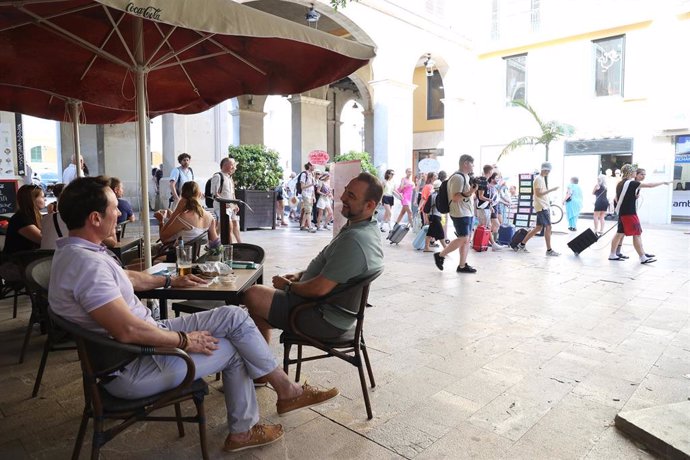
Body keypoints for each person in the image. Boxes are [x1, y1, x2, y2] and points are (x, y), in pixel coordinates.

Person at [48, 176, 339, 452]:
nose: (121, 213)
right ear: (95, 218)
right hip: (134, 365)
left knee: (233, 316)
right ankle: (247, 428)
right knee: (235, 348)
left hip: (143, 344)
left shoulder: (77, 253)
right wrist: (184, 340)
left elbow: (129, 278)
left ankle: (286, 391)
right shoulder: (88, 267)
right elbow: (128, 331)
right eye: (114, 208)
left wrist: (169, 280)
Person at [243, 173, 384, 345]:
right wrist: (301, 275)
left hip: (322, 318)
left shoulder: (355, 240)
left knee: (253, 294)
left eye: (351, 196)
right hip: (327, 310)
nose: (342, 197)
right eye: (346, 191)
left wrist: (288, 286)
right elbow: (335, 268)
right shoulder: (365, 227)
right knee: (256, 312)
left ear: (370, 205)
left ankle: (262, 365)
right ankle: (261, 363)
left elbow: (319, 289)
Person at [608, 166, 671, 264]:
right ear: (630, 173)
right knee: (636, 234)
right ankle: (642, 257)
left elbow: (616, 199)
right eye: (634, 172)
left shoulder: (620, 183)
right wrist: (663, 182)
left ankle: (613, 254)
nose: (635, 173)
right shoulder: (632, 183)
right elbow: (649, 185)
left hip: (623, 212)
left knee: (619, 233)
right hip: (629, 213)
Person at [432, 154, 479, 273]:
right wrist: (471, 191)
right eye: (472, 163)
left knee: (466, 239)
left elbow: (466, 195)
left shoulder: (466, 177)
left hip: (467, 212)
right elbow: (456, 197)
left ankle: (462, 265)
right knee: (463, 238)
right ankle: (440, 255)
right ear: (466, 163)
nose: (473, 166)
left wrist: (472, 192)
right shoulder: (458, 178)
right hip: (459, 212)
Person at [514, 162, 560, 256]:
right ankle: (549, 250)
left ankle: (522, 244)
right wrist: (552, 190)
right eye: (548, 171)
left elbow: (539, 194)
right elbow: (538, 194)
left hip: (542, 206)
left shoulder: (541, 178)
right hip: (542, 206)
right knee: (548, 227)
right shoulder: (538, 179)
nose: (549, 173)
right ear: (545, 169)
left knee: (538, 227)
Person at [155, 181, 219, 246]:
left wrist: (161, 220)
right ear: (199, 194)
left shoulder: (183, 218)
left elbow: (163, 238)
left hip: (178, 254)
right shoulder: (209, 216)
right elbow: (215, 242)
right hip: (195, 255)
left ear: (182, 196)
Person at [2, 184, 44, 256]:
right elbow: (43, 240)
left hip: (27, 259)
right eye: (42, 197)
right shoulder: (21, 218)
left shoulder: (33, 216)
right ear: (32, 199)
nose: (45, 199)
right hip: (15, 263)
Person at [210, 157, 242, 243]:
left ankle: (240, 243)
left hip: (231, 206)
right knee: (228, 227)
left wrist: (235, 204)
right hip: (222, 207)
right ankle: (229, 246)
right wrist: (224, 203)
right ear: (225, 165)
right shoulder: (218, 176)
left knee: (234, 223)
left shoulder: (229, 178)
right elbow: (215, 194)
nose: (234, 167)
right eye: (233, 165)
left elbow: (232, 193)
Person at [423, 180, 446, 252]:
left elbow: (426, 208)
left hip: (432, 216)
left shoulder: (432, 195)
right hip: (435, 216)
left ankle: (426, 247)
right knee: (441, 233)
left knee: (430, 232)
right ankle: (446, 248)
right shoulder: (438, 196)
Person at [298, 162, 317, 232]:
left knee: (308, 210)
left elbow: (312, 188)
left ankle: (302, 225)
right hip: (306, 195)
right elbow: (302, 187)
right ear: (309, 166)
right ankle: (310, 227)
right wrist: (311, 184)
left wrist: (314, 196)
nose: (315, 167)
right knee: (308, 211)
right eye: (313, 165)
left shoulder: (311, 175)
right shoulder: (304, 174)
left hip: (310, 195)